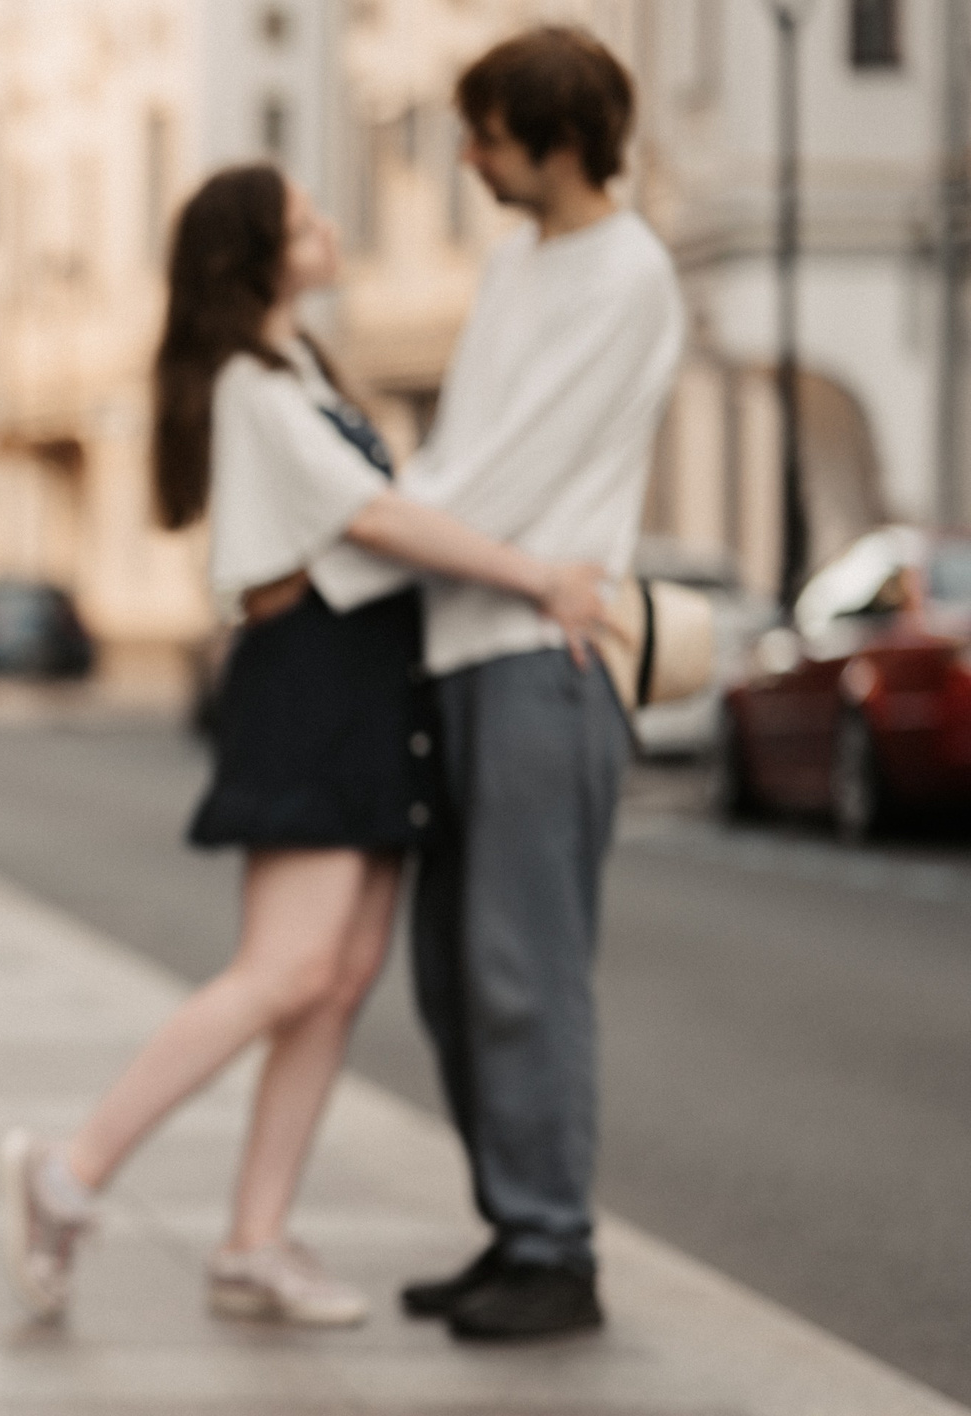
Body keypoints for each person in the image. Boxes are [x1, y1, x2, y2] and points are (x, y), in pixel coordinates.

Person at [0, 163, 603, 1327]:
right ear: (256, 256)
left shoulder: (298, 371)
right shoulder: (248, 385)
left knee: (336, 977)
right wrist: (538, 574)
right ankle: (68, 1174)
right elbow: (372, 518)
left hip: (364, 676)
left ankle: (253, 1240)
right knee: (282, 970)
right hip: (313, 679)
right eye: (304, 221)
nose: (329, 228)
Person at [388, 27, 684, 1342]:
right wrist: (409, 525)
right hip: (463, 638)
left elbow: (505, 468)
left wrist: (370, 524)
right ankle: (516, 1222)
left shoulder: (631, 275)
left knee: (527, 963)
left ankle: (556, 1248)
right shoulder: (516, 262)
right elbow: (465, 451)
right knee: (452, 965)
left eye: (487, 132)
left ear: (558, 136)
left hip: (543, 660)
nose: (469, 156)